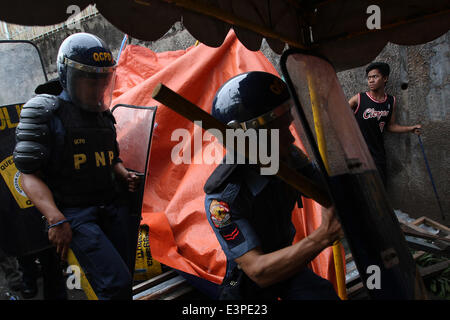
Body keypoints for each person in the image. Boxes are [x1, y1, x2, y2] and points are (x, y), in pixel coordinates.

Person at [13, 32, 139, 300]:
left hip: (110, 206)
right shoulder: (46, 112)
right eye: (88, 80)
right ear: (67, 76)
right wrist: (55, 218)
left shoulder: (103, 115)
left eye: (102, 80)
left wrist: (121, 171)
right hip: (74, 214)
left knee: (126, 279)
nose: (96, 88)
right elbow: (27, 174)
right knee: (114, 283)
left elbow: (110, 155)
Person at [204, 71, 344, 300]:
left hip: (289, 263)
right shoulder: (223, 200)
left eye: (288, 126)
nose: (290, 139)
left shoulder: (288, 158)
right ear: (250, 138)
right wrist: (322, 236)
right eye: (280, 130)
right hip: (249, 282)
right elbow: (258, 270)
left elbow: (328, 191)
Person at [348, 62, 421, 184]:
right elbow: (341, 113)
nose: (371, 80)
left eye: (375, 77)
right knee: (360, 190)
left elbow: (390, 126)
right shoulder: (359, 98)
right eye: (369, 78)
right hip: (358, 153)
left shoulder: (391, 101)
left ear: (385, 78)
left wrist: (410, 128)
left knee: (380, 186)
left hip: (377, 153)